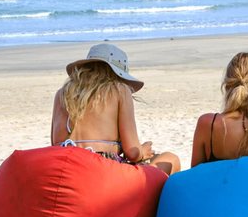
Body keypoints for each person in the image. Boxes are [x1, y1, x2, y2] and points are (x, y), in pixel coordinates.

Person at [51, 43, 181, 174]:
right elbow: (132, 152)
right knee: (170, 159)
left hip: (65, 168)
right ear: (118, 74)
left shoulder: (62, 93)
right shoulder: (120, 90)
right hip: (101, 170)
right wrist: (142, 151)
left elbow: (55, 144)